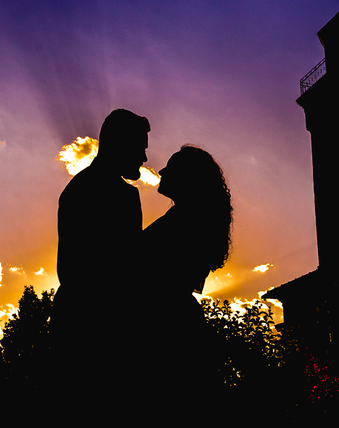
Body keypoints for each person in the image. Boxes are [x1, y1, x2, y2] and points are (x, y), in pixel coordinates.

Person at [51, 108, 150, 407]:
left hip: (75, 324)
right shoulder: (123, 197)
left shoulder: (76, 188)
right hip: (105, 333)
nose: (145, 159)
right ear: (121, 144)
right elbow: (131, 270)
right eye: (140, 148)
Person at [140, 145, 233, 402]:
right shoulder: (188, 220)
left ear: (186, 178)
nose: (161, 171)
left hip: (167, 328)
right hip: (174, 322)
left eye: (170, 167)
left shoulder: (184, 224)